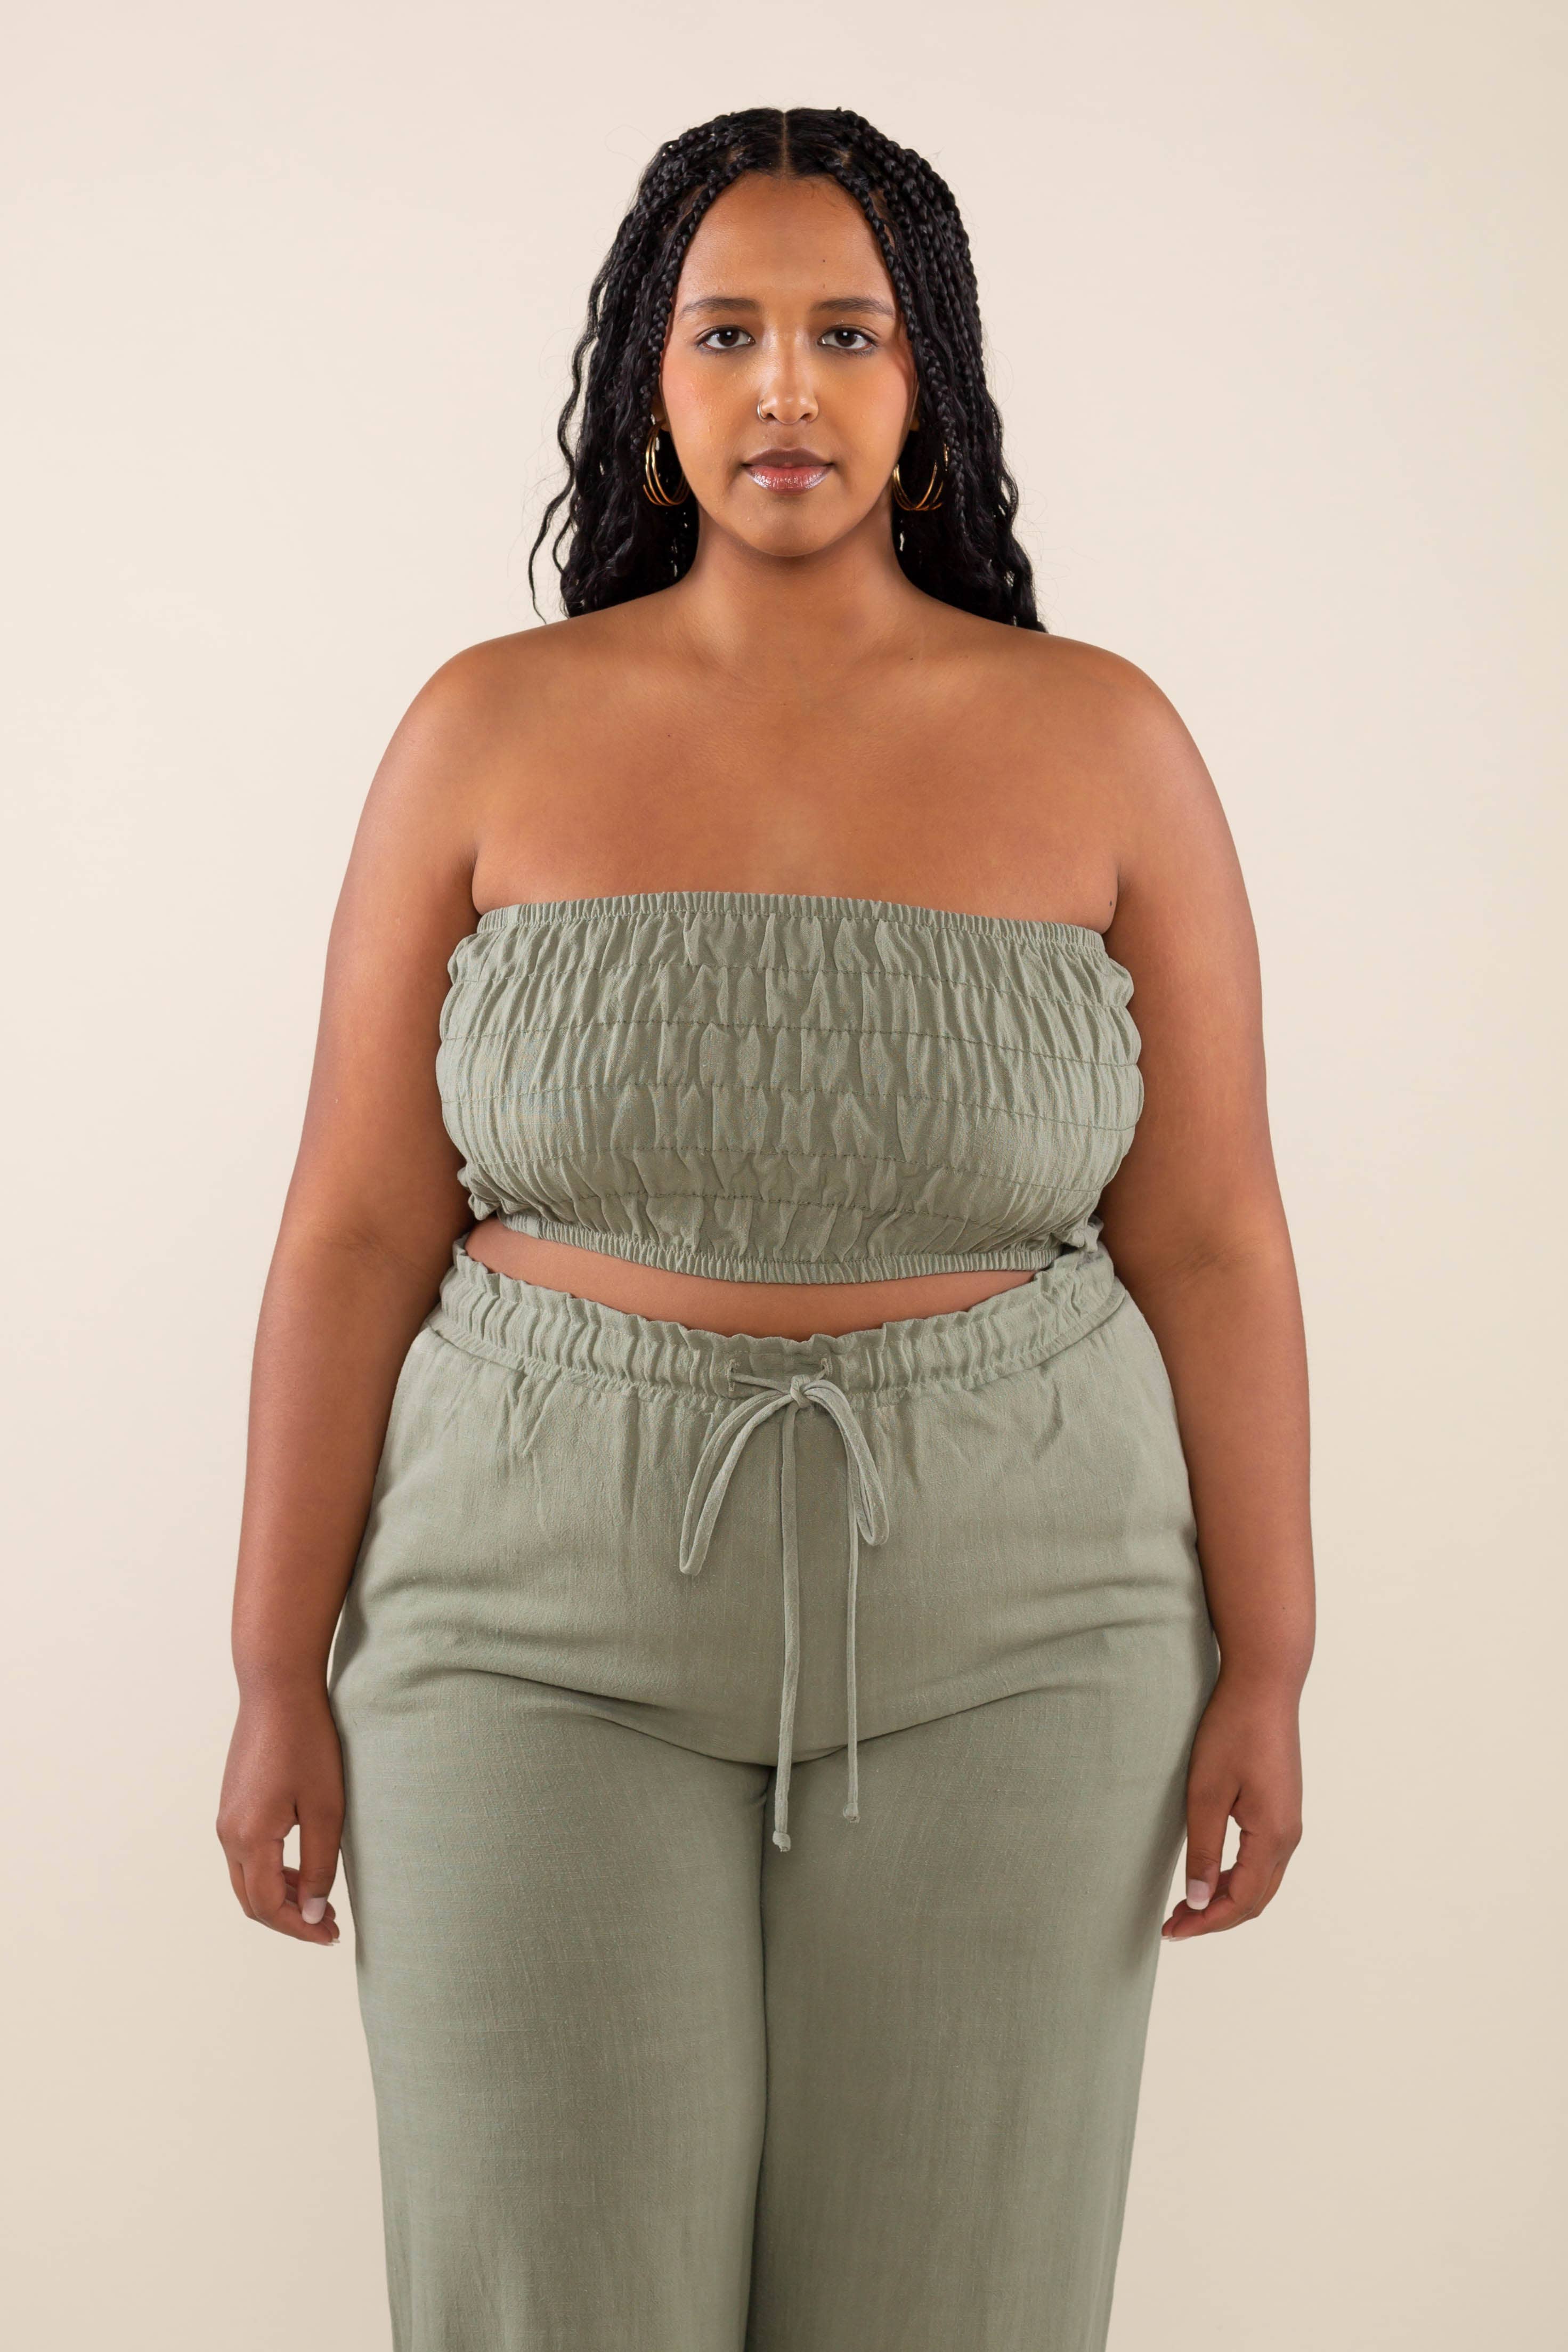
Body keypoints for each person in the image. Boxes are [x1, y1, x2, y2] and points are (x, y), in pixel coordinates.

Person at [217, 104, 1313, 2352]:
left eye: (847, 334)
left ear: (932, 391)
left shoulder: (1106, 743)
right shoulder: (482, 734)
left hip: (1027, 1633)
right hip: (524, 1625)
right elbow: (351, 1230)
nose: (785, 388)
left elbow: (1211, 1235)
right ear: (650, 377)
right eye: (725, 333)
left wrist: (1275, 1663)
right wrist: (268, 1672)